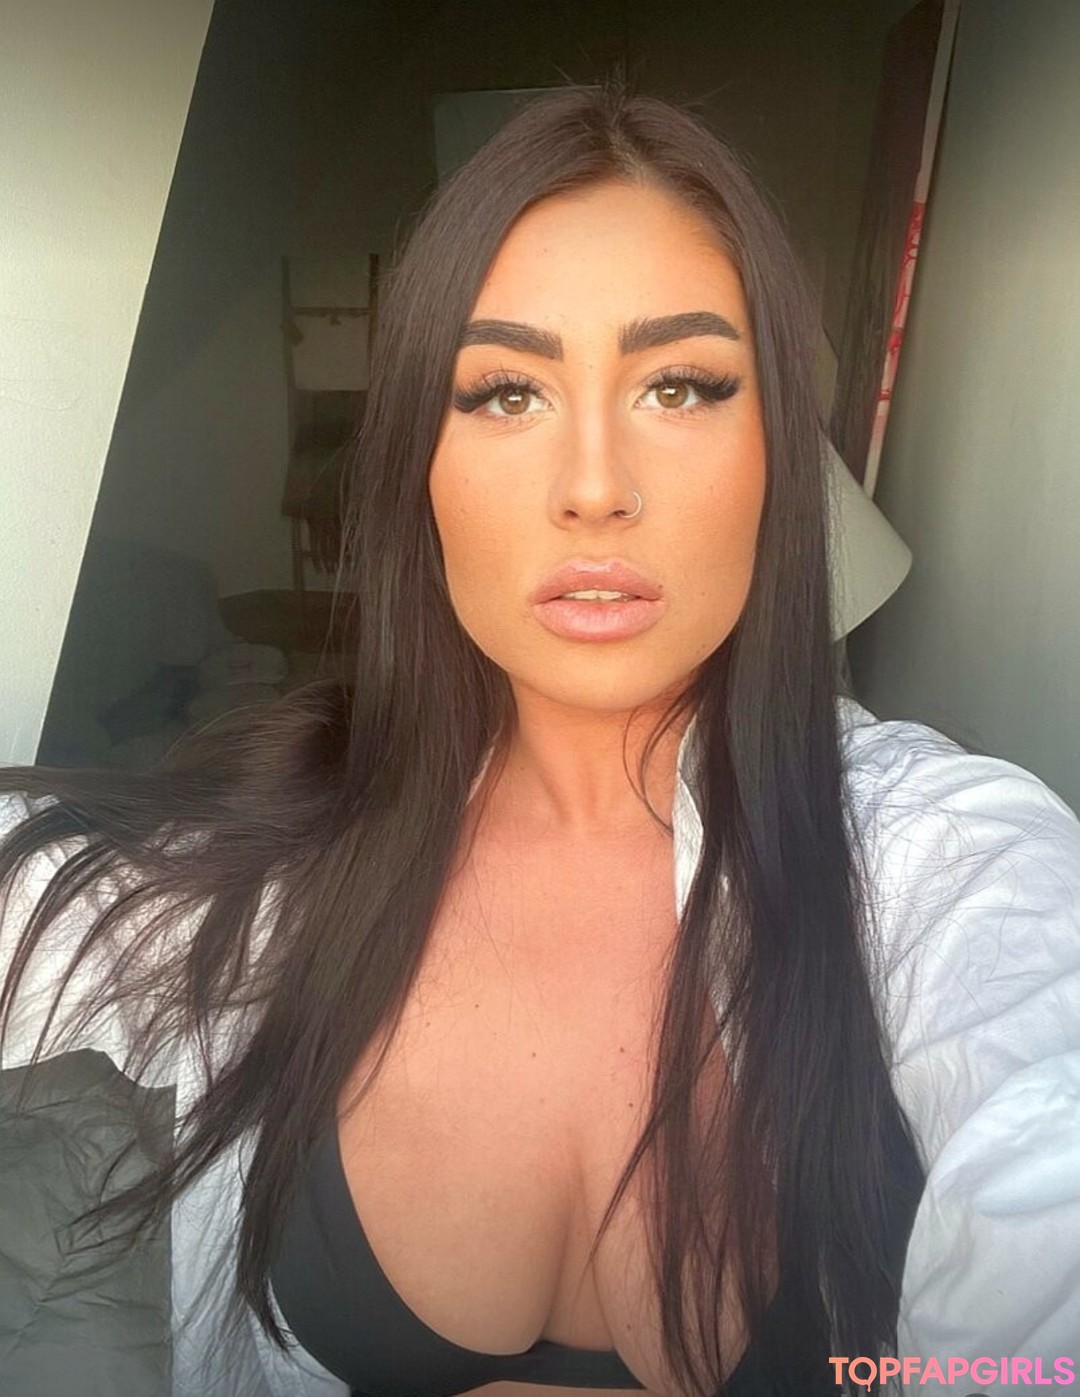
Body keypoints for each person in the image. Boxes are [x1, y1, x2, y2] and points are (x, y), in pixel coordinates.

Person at [1, 83, 1078, 1397]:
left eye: (679, 385)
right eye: (507, 392)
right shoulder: (269, 871)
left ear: (778, 455)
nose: (594, 486)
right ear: (422, 468)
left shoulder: (951, 860)